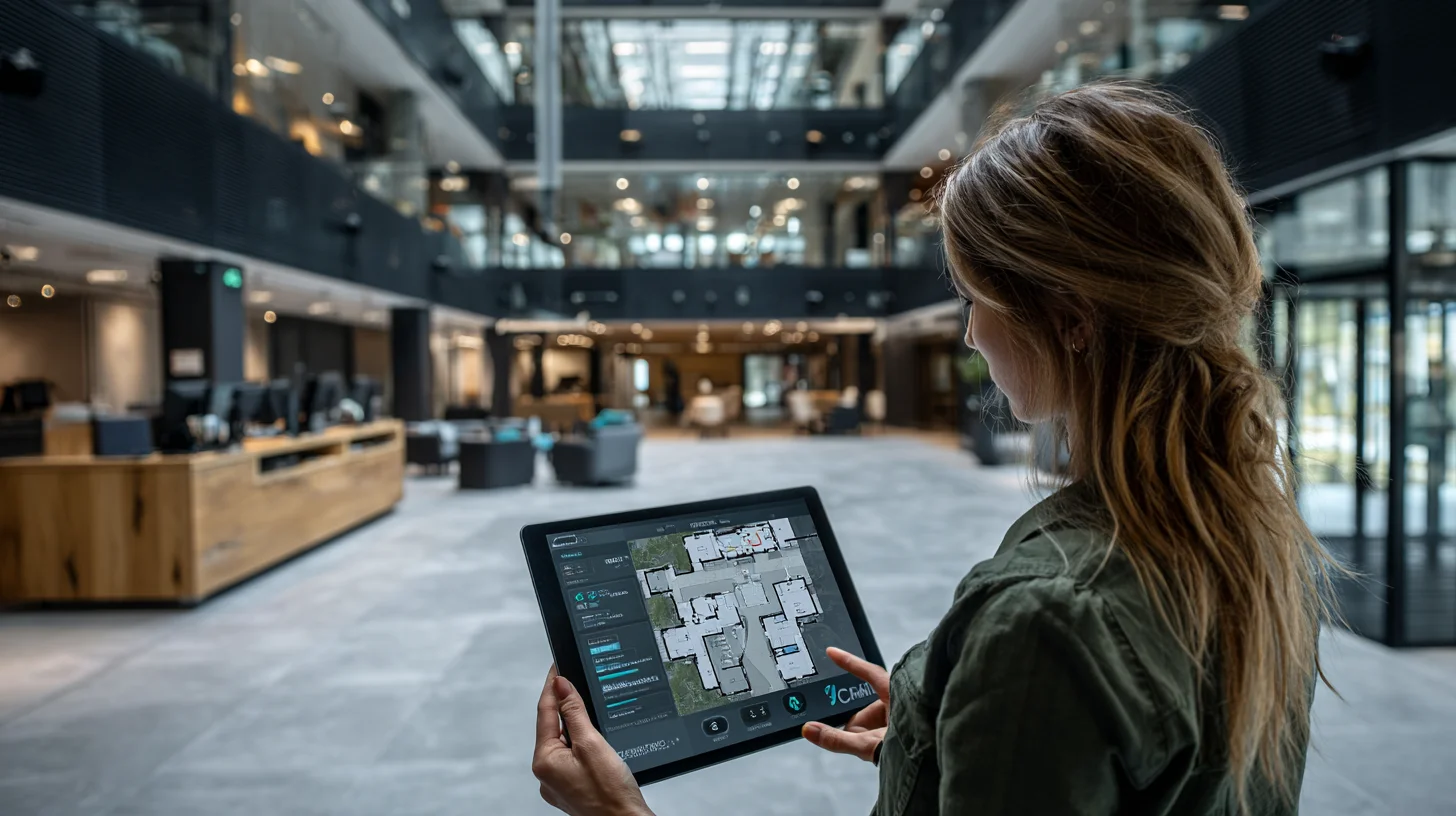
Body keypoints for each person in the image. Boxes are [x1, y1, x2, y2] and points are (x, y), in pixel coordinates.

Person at [531, 83, 1340, 816]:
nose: (969, 333)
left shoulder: (1046, 619)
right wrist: (938, 732)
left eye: (974, 297)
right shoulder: (1257, 537)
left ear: (1070, 320)